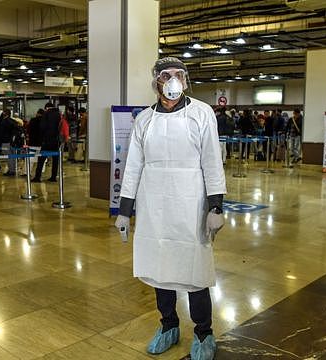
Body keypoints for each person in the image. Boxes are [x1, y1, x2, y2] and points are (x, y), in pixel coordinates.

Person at [114, 57, 226, 360]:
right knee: (158, 268)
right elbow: (133, 166)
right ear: (156, 82)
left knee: (194, 271)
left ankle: (203, 332)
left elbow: (212, 161)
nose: (174, 80)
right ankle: (168, 326)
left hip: (192, 204)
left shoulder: (202, 113)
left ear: (187, 81)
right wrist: (124, 209)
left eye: (179, 74)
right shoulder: (144, 120)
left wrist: (216, 206)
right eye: (167, 75)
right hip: (153, 207)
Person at [32, 102, 61, 183]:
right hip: (56, 140)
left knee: (41, 159)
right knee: (55, 159)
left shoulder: (46, 114)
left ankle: (37, 177)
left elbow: (42, 127)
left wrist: (42, 138)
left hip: (47, 140)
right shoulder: (59, 114)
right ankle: (53, 177)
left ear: (47, 108)